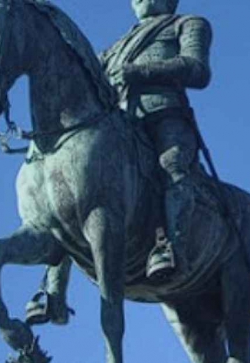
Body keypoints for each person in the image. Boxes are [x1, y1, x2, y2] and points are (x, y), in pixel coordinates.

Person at [26, 0, 213, 323]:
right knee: (77, 190)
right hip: (119, 126)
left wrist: (139, 72)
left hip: (164, 117)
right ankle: (53, 288)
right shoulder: (116, 47)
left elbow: (197, 70)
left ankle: (167, 245)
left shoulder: (188, 24)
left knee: (173, 168)